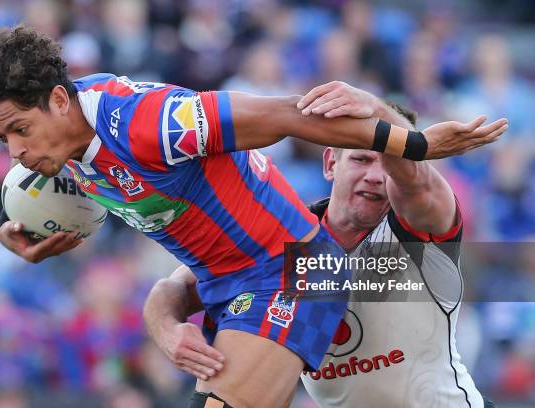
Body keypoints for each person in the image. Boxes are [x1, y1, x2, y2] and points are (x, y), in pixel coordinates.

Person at [0, 26, 507, 407]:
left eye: (19, 132)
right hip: (243, 286)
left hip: (287, 283)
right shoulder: (71, 141)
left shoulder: (151, 123)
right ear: (329, 163)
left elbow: (289, 115)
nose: (16, 153)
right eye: (5, 140)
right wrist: (24, 229)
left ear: (56, 100)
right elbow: (176, 284)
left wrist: (412, 145)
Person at [143, 83, 497, 407]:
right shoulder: (284, 236)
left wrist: (375, 108)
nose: (375, 176)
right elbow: (174, 286)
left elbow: (415, 179)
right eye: (361, 158)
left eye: (387, 164)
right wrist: (168, 331)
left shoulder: (422, 231)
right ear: (330, 163)